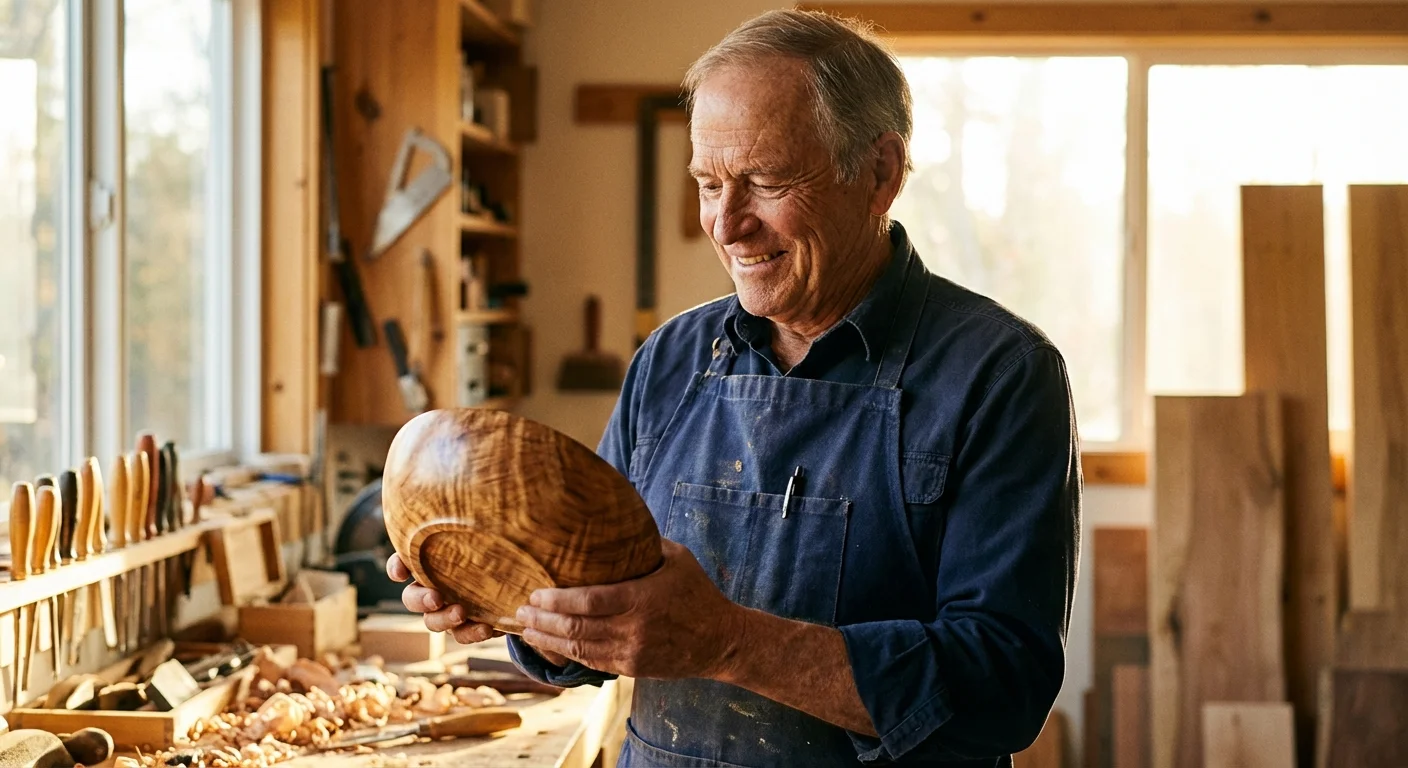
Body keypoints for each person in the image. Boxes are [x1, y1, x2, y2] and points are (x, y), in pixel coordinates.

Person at [387, 9, 1081, 766]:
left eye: (767, 181)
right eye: (709, 183)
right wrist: (509, 604)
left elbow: (1004, 687)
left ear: (880, 173)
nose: (726, 223)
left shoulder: (1000, 374)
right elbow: (606, 619)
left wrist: (731, 643)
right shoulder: (673, 358)